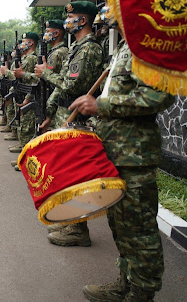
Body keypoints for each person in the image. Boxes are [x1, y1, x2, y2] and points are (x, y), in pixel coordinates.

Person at [71, 20, 175, 302]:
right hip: (115, 153)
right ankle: (126, 284)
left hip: (134, 156)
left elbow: (159, 95)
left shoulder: (149, 45)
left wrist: (101, 106)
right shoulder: (125, 46)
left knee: (139, 232)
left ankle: (141, 294)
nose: (106, 11)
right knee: (121, 227)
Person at [35, 1, 104, 247]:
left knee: (75, 174)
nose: (68, 22)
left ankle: (77, 229)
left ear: (82, 21)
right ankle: (72, 223)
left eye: (71, 17)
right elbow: (63, 84)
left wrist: (47, 73)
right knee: (67, 172)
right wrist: (50, 110)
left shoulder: (88, 49)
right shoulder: (76, 48)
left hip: (79, 117)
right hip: (67, 114)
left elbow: (72, 85)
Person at [0, 34, 40, 153]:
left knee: (27, 125)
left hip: (28, 94)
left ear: (31, 43)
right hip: (21, 93)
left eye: (24, 41)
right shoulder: (26, 58)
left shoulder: (32, 58)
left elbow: (25, 78)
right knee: (23, 122)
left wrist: (6, 72)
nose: (20, 45)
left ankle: (26, 153)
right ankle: (23, 148)